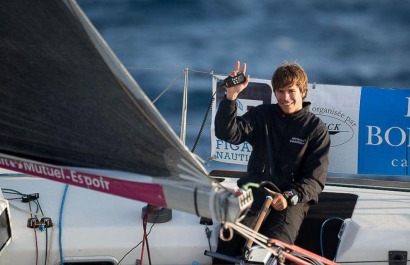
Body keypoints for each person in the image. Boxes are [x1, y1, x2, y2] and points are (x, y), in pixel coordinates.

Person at [212, 61, 331, 264]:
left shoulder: (316, 129)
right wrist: (231, 96)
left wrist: (289, 196)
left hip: (289, 202)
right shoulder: (262, 115)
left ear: (303, 91)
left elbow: (315, 180)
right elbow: (227, 133)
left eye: (291, 91)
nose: (285, 98)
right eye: (280, 91)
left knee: (274, 251)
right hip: (255, 193)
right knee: (229, 239)